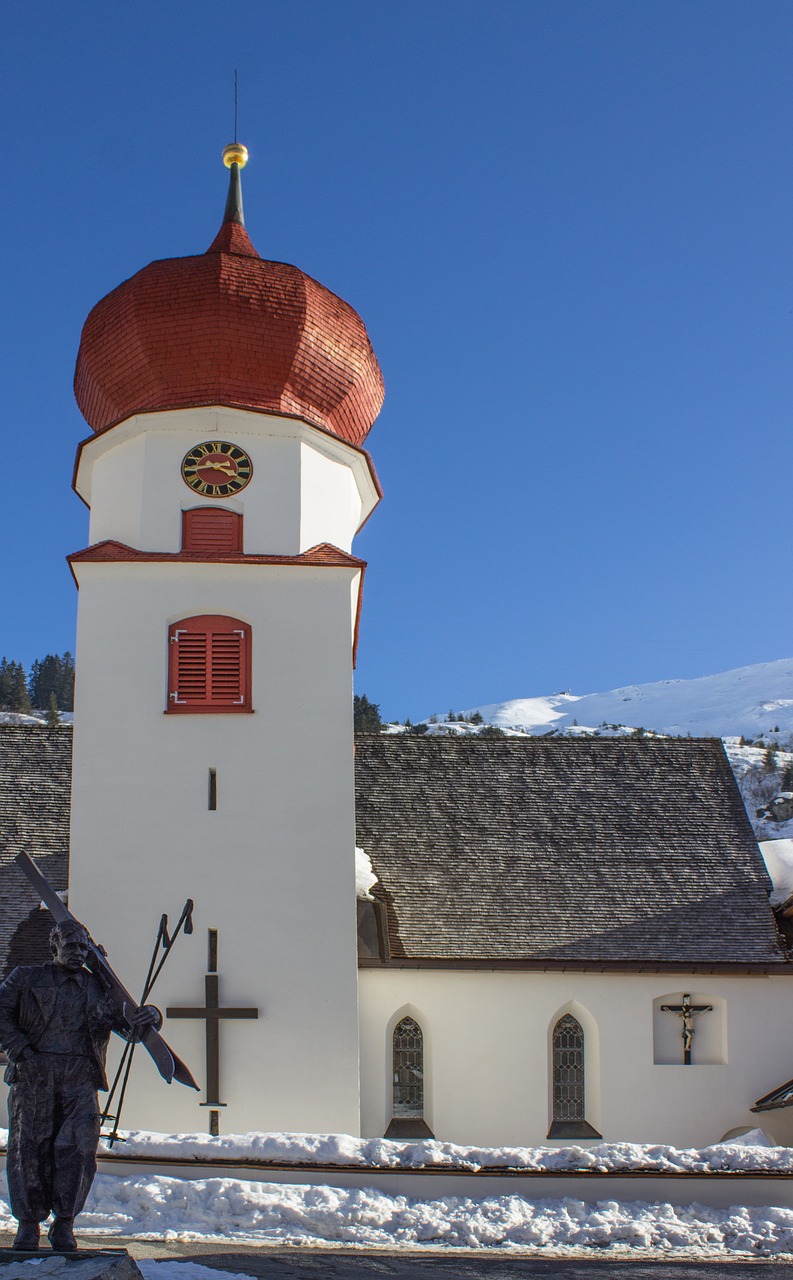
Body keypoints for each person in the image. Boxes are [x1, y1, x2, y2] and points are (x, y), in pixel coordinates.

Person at [0, 918, 161, 1251]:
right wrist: (20, 1050)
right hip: (34, 1072)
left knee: (78, 1150)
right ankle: (28, 1224)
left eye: (83, 947)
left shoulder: (100, 988)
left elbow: (129, 1031)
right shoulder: (26, 978)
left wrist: (152, 1017)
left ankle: (65, 1223)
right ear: (54, 946)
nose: (78, 953)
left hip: (80, 1077)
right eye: (71, 946)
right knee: (29, 1147)